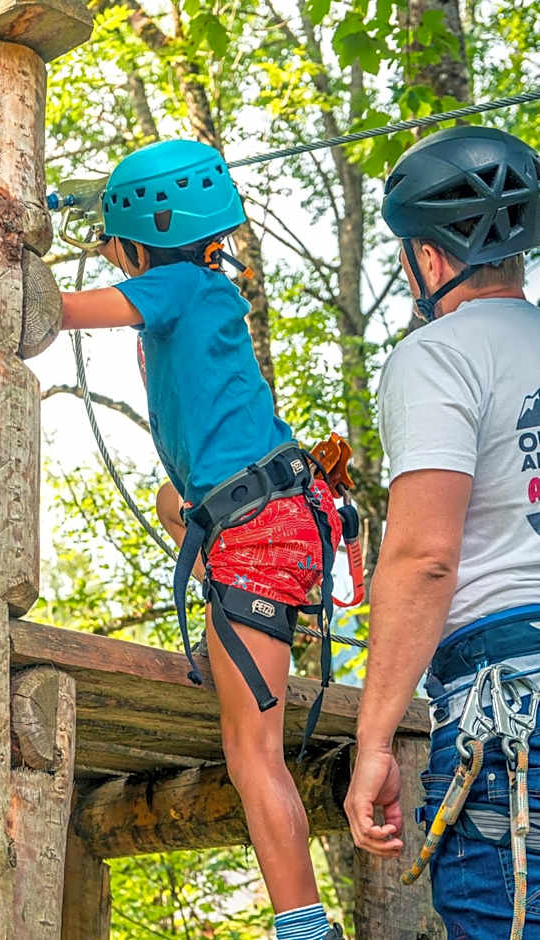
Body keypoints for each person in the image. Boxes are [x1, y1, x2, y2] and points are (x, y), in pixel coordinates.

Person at [60, 138, 344, 940]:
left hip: (257, 525)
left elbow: (53, 312)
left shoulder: (177, 285)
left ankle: (303, 928)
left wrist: (0, 241)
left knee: (249, 746)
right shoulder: (206, 289)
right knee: (167, 499)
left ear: (137, 241)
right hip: (265, 516)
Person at [344, 125, 540, 937]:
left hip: (508, 701)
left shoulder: (438, 356)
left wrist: (375, 742)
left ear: (427, 259)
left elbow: (425, 558)